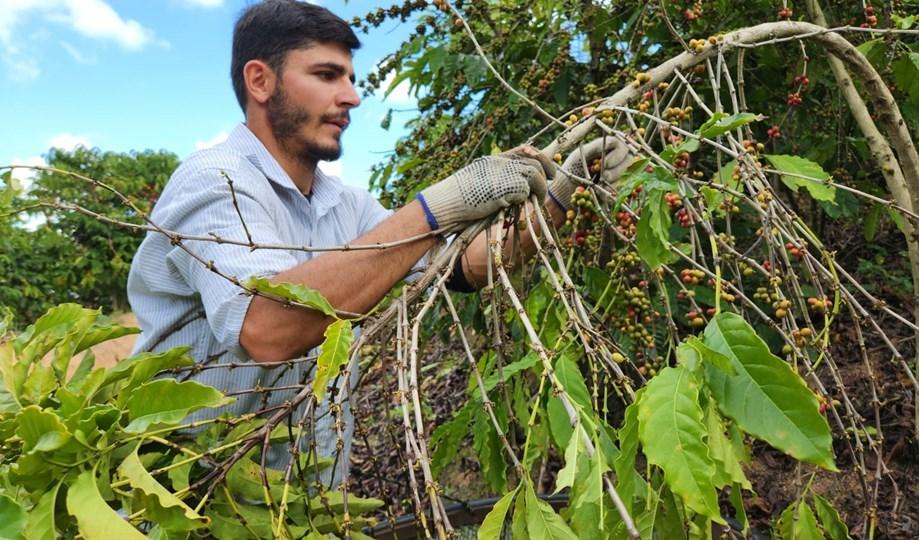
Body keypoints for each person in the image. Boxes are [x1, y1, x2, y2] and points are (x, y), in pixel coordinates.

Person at [127, 0, 631, 482]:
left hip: (303, 499)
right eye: (326, 75)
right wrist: (433, 209)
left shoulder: (345, 205)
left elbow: (462, 268)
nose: (351, 96)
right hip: (189, 492)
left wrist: (561, 198)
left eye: (350, 77)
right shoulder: (215, 182)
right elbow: (266, 328)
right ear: (260, 81)